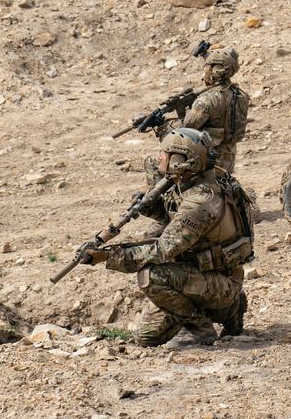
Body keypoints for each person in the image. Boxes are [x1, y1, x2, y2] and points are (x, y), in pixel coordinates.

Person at [97, 128, 254, 346]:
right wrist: (150, 207)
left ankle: (201, 326)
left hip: (219, 281)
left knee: (152, 275)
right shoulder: (198, 181)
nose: (160, 157)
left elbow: (163, 250)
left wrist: (105, 257)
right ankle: (227, 310)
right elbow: (173, 217)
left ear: (181, 161)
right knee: (147, 337)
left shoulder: (200, 202)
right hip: (205, 272)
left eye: (166, 153)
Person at [181, 47, 250, 174]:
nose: (206, 71)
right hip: (228, 159)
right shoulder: (240, 95)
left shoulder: (207, 99)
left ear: (216, 70)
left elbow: (187, 128)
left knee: (154, 162)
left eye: (208, 68)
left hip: (208, 161)